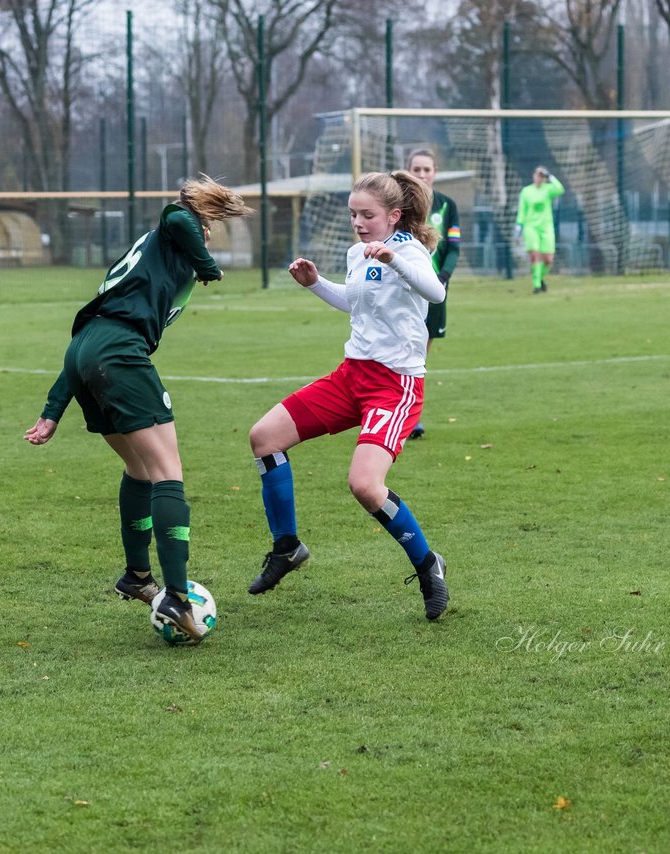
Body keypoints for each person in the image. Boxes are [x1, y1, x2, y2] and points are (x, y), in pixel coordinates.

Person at [23, 176, 253, 641]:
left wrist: (53, 410)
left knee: (140, 470)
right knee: (168, 471)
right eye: (205, 230)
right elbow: (176, 213)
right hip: (118, 352)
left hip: (88, 350)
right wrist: (207, 263)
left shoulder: (155, 264)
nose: (203, 236)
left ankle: (137, 577)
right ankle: (176, 595)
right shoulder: (174, 228)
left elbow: (91, 337)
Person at [247, 170, 450, 620]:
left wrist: (395, 259)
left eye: (368, 215)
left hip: (393, 385)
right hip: (350, 376)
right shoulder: (358, 251)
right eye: (353, 214)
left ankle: (427, 564)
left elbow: (435, 292)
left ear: (394, 216)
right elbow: (355, 301)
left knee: (364, 485)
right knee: (264, 437)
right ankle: (287, 547)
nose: (358, 223)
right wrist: (316, 283)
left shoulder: (409, 250)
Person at [404, 148, 461, 439]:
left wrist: (442, 278)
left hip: (435, 291)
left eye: (427, 169)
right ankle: (396, 414)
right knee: (400, 349)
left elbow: (453, 248)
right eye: (417, 169)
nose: (422, 174)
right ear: (408, 170)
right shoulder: (399, 205)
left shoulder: (447, 205)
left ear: (435, 171)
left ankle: (411, 417)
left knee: (419, 355)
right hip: (403, 293)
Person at [515, 166, 565, 294]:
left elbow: (560, 189)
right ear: (534, 176)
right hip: (531, 227)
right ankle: (536, 285)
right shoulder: (526, 191)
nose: (539, 178)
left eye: (542, 176)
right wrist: (519, 225)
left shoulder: (547, 190)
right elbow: (522, 209)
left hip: (546, 227)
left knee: (548, 259)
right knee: (535, 254)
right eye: (538, 175)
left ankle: (540, 278)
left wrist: (550, 176)